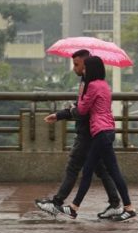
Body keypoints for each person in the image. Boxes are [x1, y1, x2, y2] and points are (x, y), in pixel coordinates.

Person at [35, 49, 122, 219]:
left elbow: (82, 110)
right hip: (96, 132)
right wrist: (61, 114)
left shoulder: (91, 84)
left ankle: (58, 203)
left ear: (86, 64)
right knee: (102, 170)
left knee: (74, 166)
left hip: (88, 133)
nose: (74, 68)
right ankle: (116, 204)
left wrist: (68, 111)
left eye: (76, 64)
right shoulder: (92, 82)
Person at [55, 56, 136, 221]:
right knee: (113, 171)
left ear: (91, 69)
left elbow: (83, 110)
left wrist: (73, 106)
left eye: (86, 68)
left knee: (88, 172)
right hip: (109, 130)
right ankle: (128, 207)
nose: (83, 71)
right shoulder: (105, 85)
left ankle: (74, 207)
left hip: (99, 132)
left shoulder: (92, 85)